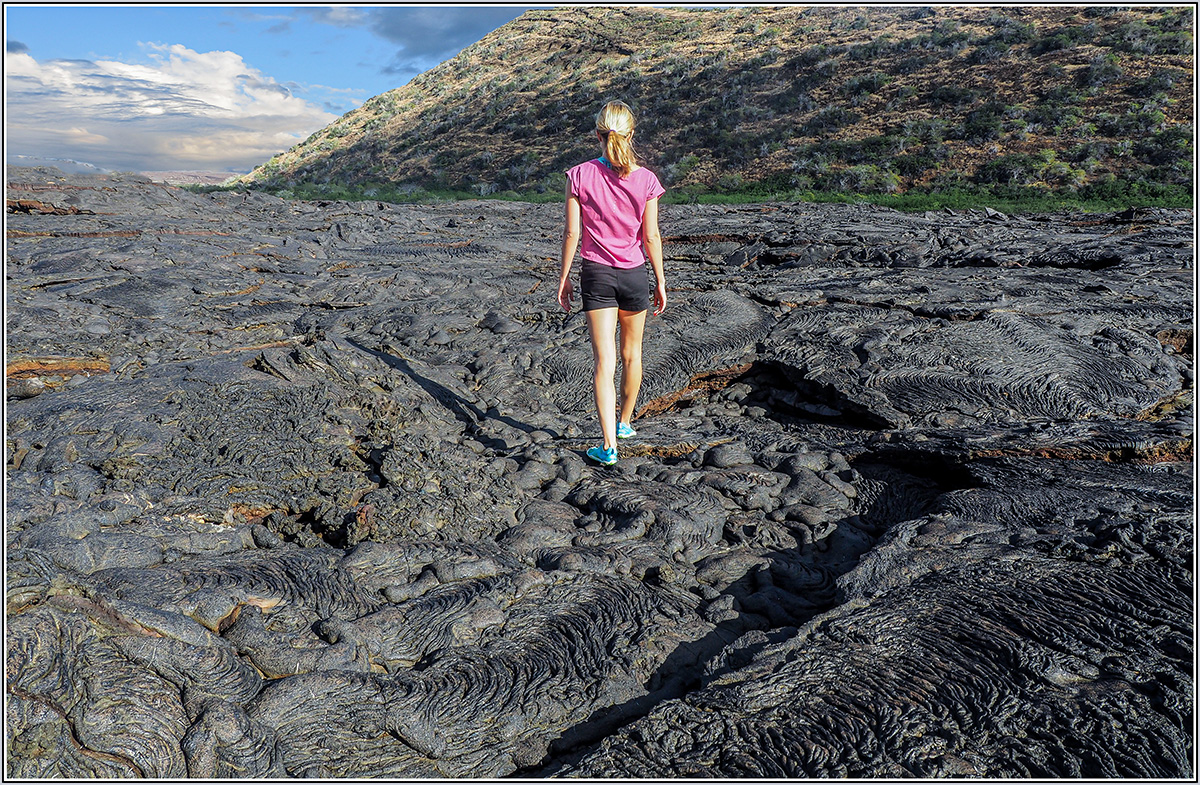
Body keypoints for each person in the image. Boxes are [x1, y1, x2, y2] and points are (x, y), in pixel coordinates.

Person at [557, 100, 667, 467]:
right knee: (631, 354)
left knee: (604, 361)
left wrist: (564, 277)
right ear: (630, 134)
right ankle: (623, 424)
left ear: (598, 135)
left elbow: (573, 232)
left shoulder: (579, 175)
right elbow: (651, 237)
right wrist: (661, 282)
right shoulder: (646, 179)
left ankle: (607, 446)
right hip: (635, 275)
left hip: (596, 275)